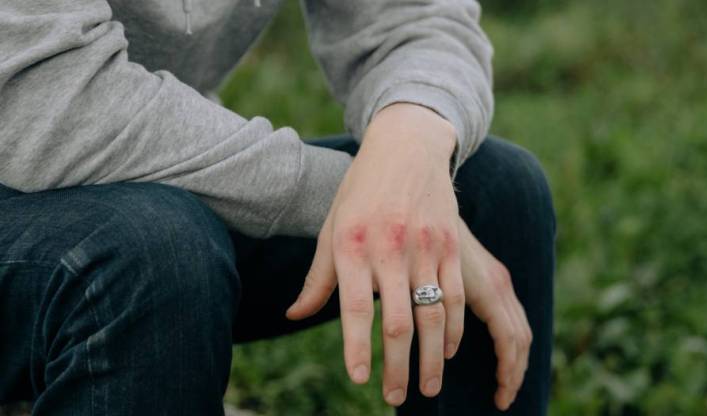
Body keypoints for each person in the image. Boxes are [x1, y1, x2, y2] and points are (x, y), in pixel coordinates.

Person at [0, 0, 555, 414]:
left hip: (144, 189)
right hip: (51, 189)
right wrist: (357, 200)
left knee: (494, 192)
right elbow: (49, 102)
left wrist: (412, 142)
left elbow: (414, 18)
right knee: (157, 250)